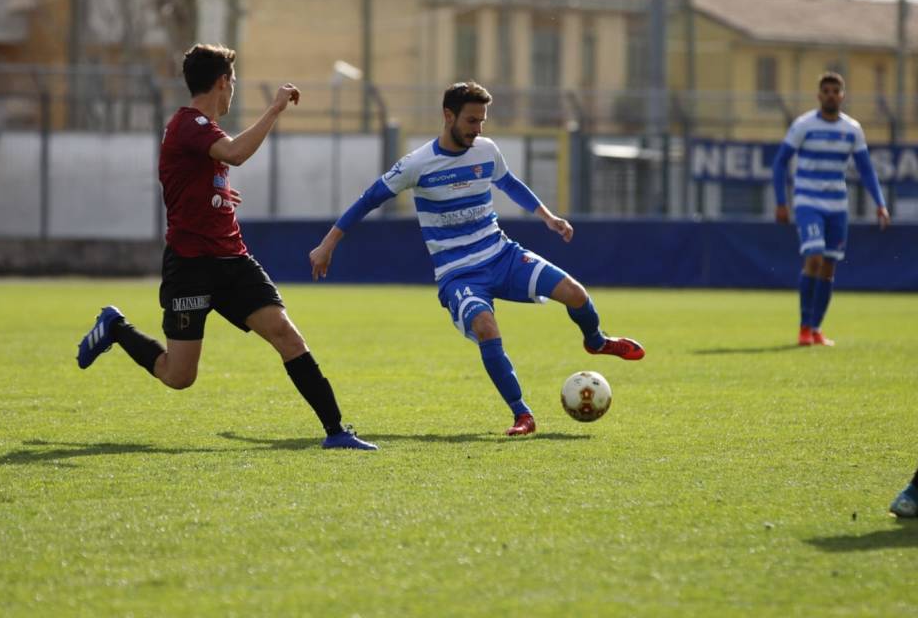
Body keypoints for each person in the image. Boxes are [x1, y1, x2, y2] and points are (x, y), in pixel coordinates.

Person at [76, 43, 377, 450]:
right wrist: (274, 110)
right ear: (222, 82)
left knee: (287, 336)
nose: (232, 89)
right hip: (190, 265)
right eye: (232, 82)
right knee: (178, 376)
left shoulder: (202, 131)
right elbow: (235, 154)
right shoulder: (189, 124)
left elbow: (206, 172)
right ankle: (115, 327)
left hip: (233, 259)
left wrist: (217, 196)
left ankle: (337, 431)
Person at [309, 81, 644, 437]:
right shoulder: (417, 164)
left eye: (482, 121)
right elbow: (368, 199)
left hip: (501, 254)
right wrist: (328, 244)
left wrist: (548, 216)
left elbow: (509, 182)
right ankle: (523, 415)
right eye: (471, 120)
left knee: (575, 293)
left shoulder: (486, 150)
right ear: (448, 115)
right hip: (458, 273)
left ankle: (595, 341)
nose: (477, 129)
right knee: (486, 327)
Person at [772, 71, 890, 347]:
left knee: (828, 267)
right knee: (813, 256)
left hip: (838, 205)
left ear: (842, 96)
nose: (831, 96)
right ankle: (803, 327)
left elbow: (866, 169)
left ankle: (816, 328)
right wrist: (781, 201)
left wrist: (880, 203)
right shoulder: (803, 125)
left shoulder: (852, 129)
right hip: (808, 201)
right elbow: (780, 163)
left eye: (835, 91)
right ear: (818, 95)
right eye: (826, 91)